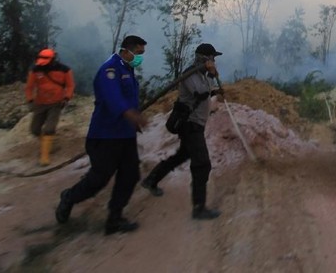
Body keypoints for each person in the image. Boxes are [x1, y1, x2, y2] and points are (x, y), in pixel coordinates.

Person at [55, 35, 149, 235]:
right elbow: (112, 98)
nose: (141, 58)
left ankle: (114, 219)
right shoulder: (110, 69)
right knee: (99, 179)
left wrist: (134, 120)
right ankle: (69, 197)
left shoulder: (128, 69)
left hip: (125, 136)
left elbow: (129, 99)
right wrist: (130, 114)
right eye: (139, 53)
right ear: (127, 50)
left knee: (130, 175)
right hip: (105, 136)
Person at [140, 43, 224, 220]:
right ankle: (199, 208)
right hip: (190, 124)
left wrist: (214, 85)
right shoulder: (190, 73)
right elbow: (200, 93)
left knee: (182, 155)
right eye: (212, 58)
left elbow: (207, 91)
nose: (214, 60)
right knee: (202, 164)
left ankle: (151, 180)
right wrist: (211, 74)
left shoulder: (202, 75)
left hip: (196, 125)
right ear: (204, 58)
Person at [25, 48, 75, 166]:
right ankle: (48, 145)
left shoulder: (64, 70)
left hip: (56, 103)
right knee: (35, 129)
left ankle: (45, 157)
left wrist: (66, 98)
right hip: (40, 103)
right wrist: (30, 100)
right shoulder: (35, 70)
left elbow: (70, 85)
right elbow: (29, 87)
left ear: (53, 60)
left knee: (49, 129)